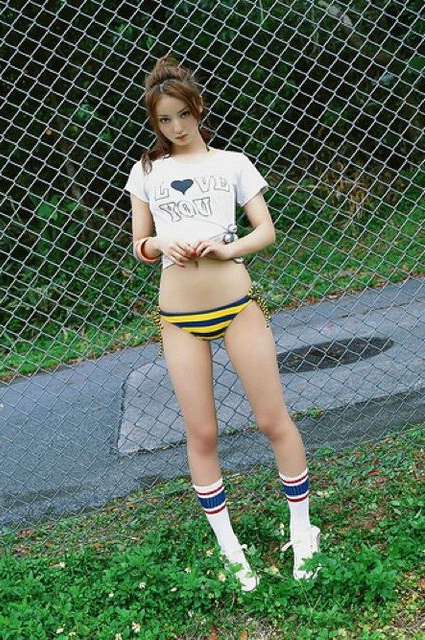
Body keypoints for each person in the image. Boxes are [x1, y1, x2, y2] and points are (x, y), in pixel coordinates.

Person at [124, 54, 321, 592]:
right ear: (155, 121)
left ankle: (303, 530)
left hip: (236, 306)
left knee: (272, 420)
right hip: (178, 317)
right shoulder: (147, 172)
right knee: (203, 432)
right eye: (164, 120)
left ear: (198, 109)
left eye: (183, 115)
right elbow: (139, 245)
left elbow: (265, 231)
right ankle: (229, 546)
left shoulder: (232, 163)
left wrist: (224, 247)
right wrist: (161, 242)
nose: (176, 127)